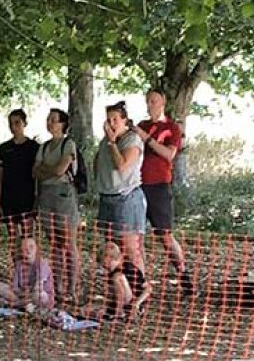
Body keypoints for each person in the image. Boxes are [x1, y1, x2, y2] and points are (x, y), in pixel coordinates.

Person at [134, 89, 192, 297]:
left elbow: (169, 154)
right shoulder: (141, 125)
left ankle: (183, 273)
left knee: (164, 236)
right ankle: (138, 282)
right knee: (135, 237)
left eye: (154, 101)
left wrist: (147, 139)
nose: (150, 105)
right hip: (136, 186)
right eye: (148, 101)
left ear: (163, 102)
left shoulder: (171, 128)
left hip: (158, 186)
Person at [33, 108, 81, 302]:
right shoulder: (43, 147)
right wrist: (51, 171)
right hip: (46, 196)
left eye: (54, 120)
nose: (50, 123)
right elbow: (35, 172)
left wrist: (49, 170)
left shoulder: (68, 144)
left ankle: (73, 287)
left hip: (63, 196)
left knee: (68, 242)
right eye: (48, 119)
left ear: (63, 124)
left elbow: (62, 169)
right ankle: (58, 286)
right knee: (54, 243)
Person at [95, 101, 146, 273]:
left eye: (115, 119)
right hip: (107, 197)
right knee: (111, 249)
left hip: (126, 198)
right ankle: (119, 289)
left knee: (131, 249)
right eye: (108, 119)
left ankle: (139, 287)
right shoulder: (105, 142)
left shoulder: (132, 139)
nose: (111, 123)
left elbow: (122, 165)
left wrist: (112, 143)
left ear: (125, 120)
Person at [0, 108, 39, 235]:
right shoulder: (4, 148)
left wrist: (37, 199)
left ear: (24, 123)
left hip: (27, 198)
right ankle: (15, 256)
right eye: (11, 123)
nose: (14, 127)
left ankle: (28, 255)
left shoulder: (34, 148)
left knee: (28, 238)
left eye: (17, 122)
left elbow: (38, 176)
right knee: (13, 239)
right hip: (9, 198)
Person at [82, 241, 151, 321]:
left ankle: (120, 312)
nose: (104, 267)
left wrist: (137, 304)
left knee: (117, 277)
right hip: (118, 301)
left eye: (104, 264)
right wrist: (105, 307)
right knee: (84, 310)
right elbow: (111, 294)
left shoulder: (128, 269)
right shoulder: (111, 272)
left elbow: (148, 288)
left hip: (131, 302)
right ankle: (114, 312)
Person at [0, 237, 55, 311]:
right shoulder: (19, 264)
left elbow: (38, 287)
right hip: (22, 294)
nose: (28, 250)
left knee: (39, 295)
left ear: (37, 249)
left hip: (39, 296)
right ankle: (23, 304)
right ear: (21, 251)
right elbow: (14, 286)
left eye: (31, 247)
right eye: (25, 248)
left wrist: (27, 293)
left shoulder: (42, 264)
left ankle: (15, 304)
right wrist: (21, 293)